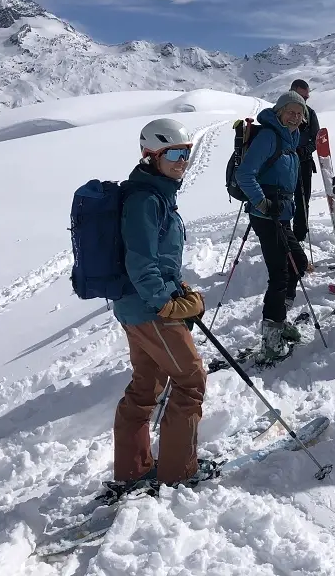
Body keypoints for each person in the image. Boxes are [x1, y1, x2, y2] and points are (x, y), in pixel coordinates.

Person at [111, 118, 217, 490]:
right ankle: (178, 473)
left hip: (136, 306)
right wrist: (166, 303)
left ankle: (132, 468)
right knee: (190, 382)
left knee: (146, 387)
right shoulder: (145, 199)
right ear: (150, 155)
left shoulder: (155, 194)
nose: (181, 161)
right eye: (173, 153)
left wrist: (177, 287)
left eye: (186, 154)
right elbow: (140, 260)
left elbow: (156, 257)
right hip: (149, 309)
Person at [235, 91, 309, 364]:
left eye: (300, 112)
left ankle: (278, 321)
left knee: (298, 264)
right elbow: (245, 174)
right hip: (266, 216)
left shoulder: (291, 138)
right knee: (279, 275)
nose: (295, 116)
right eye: (290, 110)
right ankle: (271, 338)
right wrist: (263, 203)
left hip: (281, 215)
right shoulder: (269, 136)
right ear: (278, 111)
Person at [290, 79, 320, 247]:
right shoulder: (281, 112)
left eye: (306, 98)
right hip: (282, 163)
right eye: (301, 97)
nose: (303, 101)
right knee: (282, 199)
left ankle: (299, 236)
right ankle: (283, 233)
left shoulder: (310, 113)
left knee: (302, 199)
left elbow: (316, 139)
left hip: (303, 162)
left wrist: (304, 150)